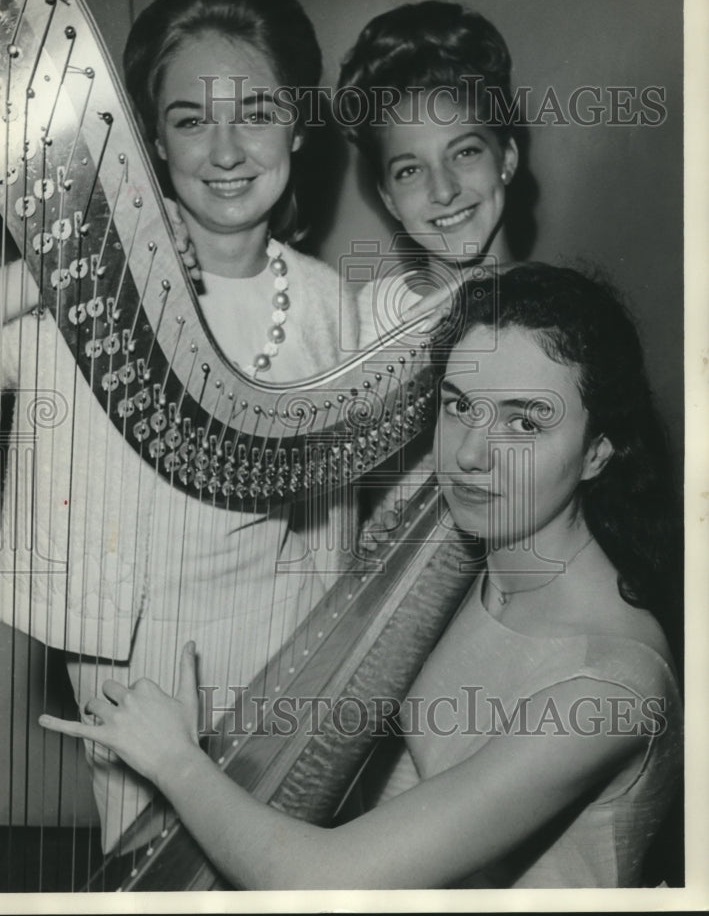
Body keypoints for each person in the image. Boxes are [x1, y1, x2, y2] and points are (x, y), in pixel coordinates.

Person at [40, 263, 683, 889]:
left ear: (599, 450)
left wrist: (178, 760)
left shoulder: (607, 689)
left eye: (524, 421)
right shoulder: (472, 560)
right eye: (460, 406)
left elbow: (320, 878)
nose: (468, 455)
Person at [0, 0, 359, 856]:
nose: (224, 151)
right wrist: (57, 268)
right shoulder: (80, 293)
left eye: (255, 112)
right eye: (189, 119)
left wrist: (326, 680)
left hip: (275, 651)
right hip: (123, 666)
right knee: (147, 871)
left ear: (296, 122)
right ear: (151, 138)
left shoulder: (329, 300)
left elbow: (329, 521)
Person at [336, 0, 525, 346]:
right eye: (409, 171)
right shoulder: (368, 317)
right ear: (388, 198)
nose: (443, 191)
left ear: (507, 159)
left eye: (465, 153)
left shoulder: (565, 304)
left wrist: (496, 284)